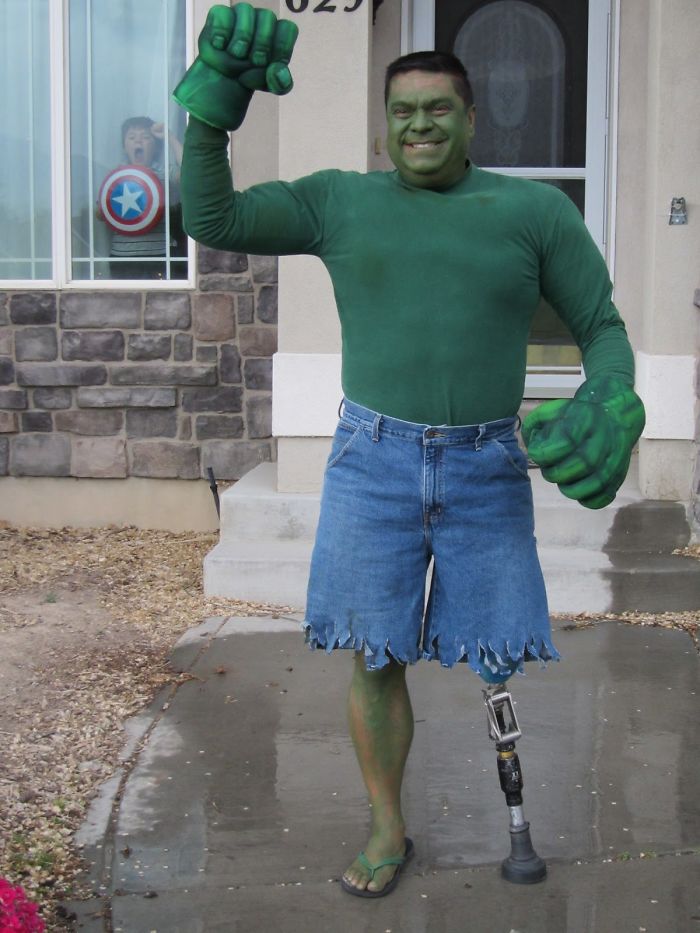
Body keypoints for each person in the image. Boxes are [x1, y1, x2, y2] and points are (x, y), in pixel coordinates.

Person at [173, 3, 645, 898]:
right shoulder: (340, 201)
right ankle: (388, 826)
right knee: (376, 652)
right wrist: (212, 111)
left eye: (438, 109)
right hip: (373, 461)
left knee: (497, 651)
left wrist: (613, 397)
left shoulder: (533, 212)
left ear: (471, 119)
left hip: (486, 464)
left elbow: (602, 326)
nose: (419, 124)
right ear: (384, 127)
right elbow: (214, 216)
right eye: (403, 111)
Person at [97, 116, 185, 279]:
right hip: (122, 257)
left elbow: (191, 172)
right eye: (132, 137)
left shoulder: (165, 173)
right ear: (124, 146)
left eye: (145, 137)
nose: (138, 141)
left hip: (160, 256)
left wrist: (170, 137)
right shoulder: (115, 178)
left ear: (156, 147)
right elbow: (100, 214)